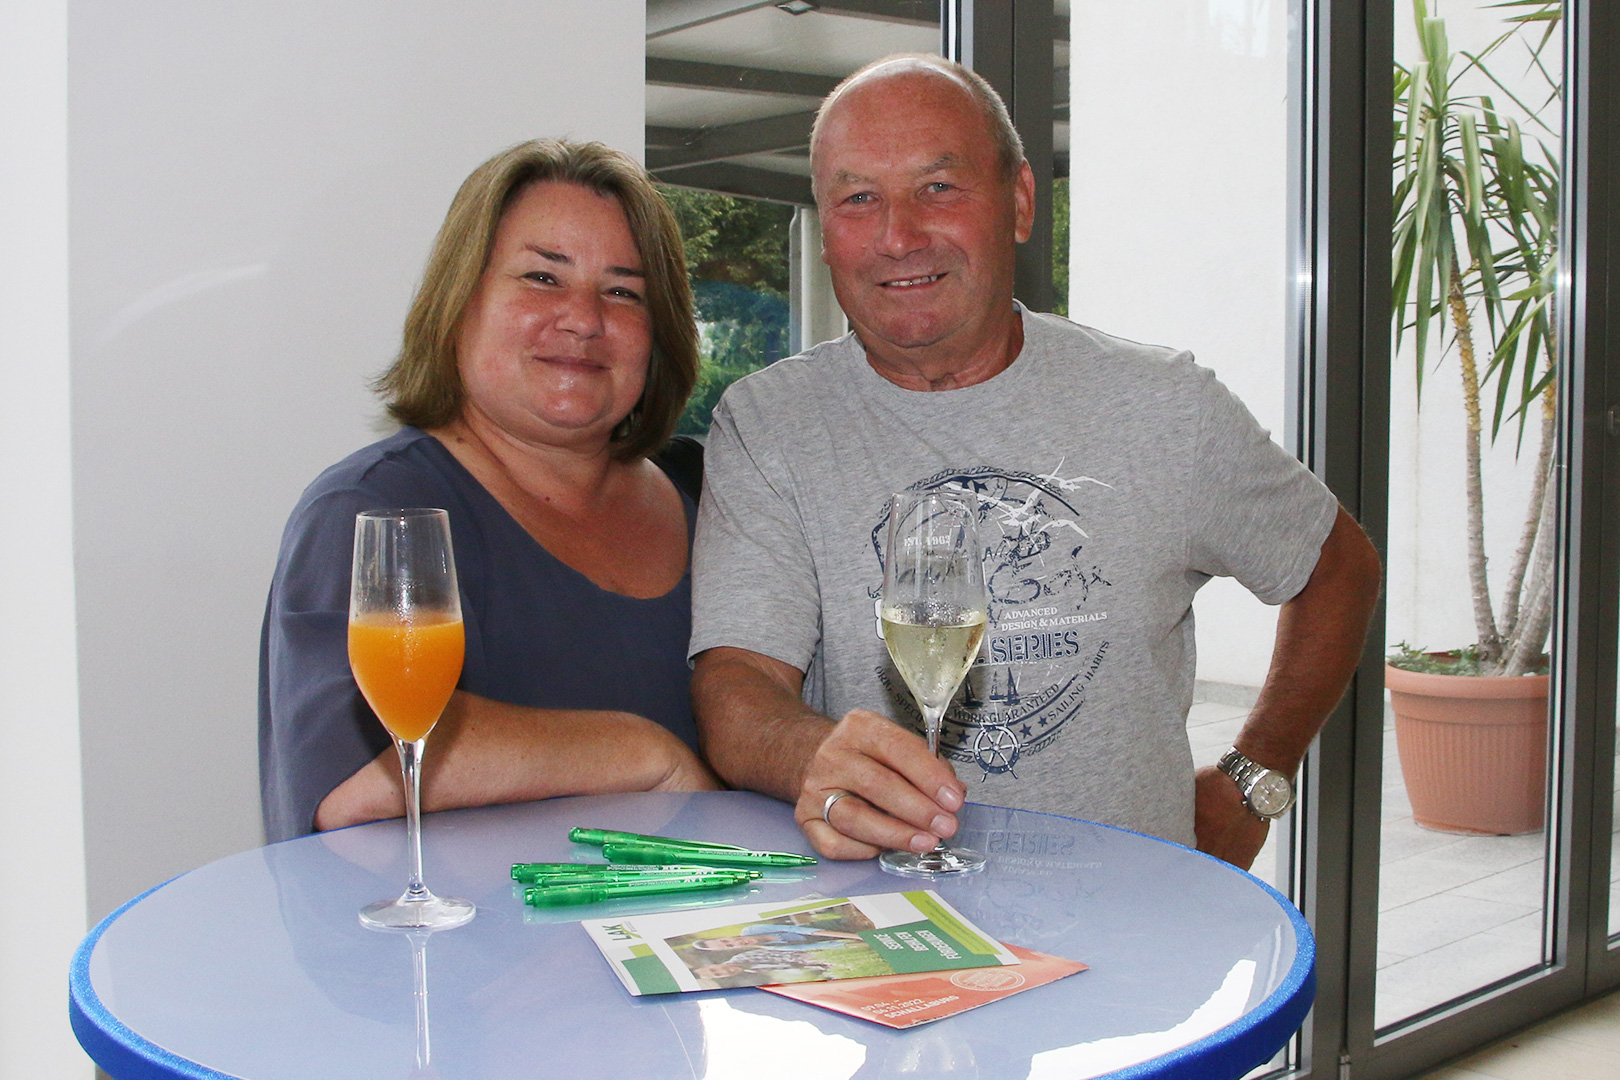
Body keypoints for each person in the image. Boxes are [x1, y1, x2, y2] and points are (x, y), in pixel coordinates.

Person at [689, 55, 1382, 870]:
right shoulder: (770, 424)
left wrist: (1254, 777)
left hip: (1129, 914)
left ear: (1018, 201)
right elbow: (737, 685)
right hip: (883, 919)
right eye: (858, 199)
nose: (898, 236)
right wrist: (814, 758)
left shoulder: (1165, 403)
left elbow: (1337, 568)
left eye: (938, 187)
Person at [260, 139, 719, 843]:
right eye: (542, 277)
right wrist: (642, 753)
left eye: (624, 291)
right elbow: (359, 774)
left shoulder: (715, 491)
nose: (584, 318)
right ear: (460, 300)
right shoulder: (374, 507)